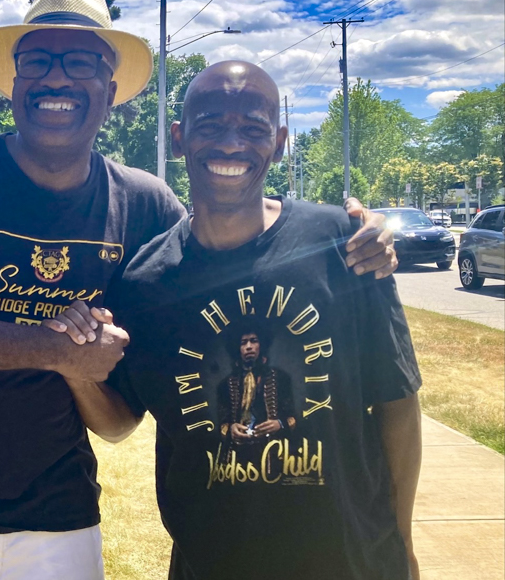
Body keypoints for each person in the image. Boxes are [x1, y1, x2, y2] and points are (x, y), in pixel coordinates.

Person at [0, 0, 396, 579]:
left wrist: (342, 235)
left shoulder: (145, 205)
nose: (58, 78)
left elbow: (231, 252)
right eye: (38, 60)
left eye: (82, 63)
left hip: (57, 517)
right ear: (14, 82)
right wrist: (52, 349)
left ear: (110, 89)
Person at [85, 60, 422, 579]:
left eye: (253, 127)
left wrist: (401, 542)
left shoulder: (344, 245)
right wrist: (69, 365)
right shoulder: (145, 282)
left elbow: (398, 402)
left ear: (280, 141)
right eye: (211, 124)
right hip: (211, 562)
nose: (230, 143)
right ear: (179, 138)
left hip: (350, 562)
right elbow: (120, 419)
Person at [218, 324, 296, 450]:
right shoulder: (225, 385)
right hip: (238, 454)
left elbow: (293, 418)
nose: (249, 347)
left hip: (273, 450)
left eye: (254, 341)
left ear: (261, 346)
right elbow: (222, 423)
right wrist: (231, 429)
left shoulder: (281, 378)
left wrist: (279, 424)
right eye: (243, 343)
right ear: (238, 348)